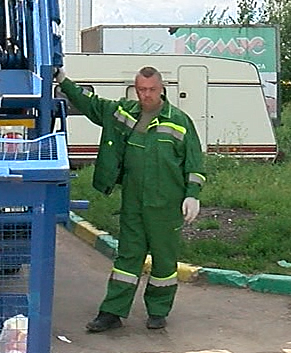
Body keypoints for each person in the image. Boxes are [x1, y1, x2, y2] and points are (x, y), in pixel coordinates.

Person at [56, 66, 206, 332]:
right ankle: (112, 312)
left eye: (151, 90)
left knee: (163, 261)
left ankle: (158, 311)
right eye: (141, 90)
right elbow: (91, 105)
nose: (146, 95)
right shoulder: (124, 114)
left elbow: (194, 164)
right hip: (134, 202)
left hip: (166, 205)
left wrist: (192, 195)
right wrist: (64, 81)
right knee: (127, 258)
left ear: (162, 89)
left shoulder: (179, 121)